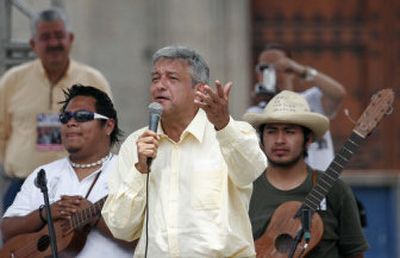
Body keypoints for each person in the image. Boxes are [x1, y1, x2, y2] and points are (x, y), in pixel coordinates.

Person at [101, 45, 267, 257]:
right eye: (155, 78)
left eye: (172, 78)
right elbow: (120, 227)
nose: (160, 86)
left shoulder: (231, 133)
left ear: (199, 90)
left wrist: (223, 125)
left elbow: (251, 171)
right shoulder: (137, 144)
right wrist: (140, 170)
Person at [0, 85, 134, 257]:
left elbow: (144, 238)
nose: (71, 122)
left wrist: (95, 218)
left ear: (108, 126)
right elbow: (7, 230)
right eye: (65, 117)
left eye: (82, 116)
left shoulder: (131, 174)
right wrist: (44, 214)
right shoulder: (44, 173)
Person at [0, 8, 112, 212]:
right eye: (45, 37)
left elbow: (107, 132)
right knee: (17, 244)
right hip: (22, 186)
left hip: (79, 188)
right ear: (33, 44)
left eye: (59, 36)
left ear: (70, 38)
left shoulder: (93, 80)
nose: (53, 43)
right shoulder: (12, 81)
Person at [243, 90, 368, 258]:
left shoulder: (335, 189)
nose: (279, 140)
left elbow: (354, 253)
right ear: (262, 140)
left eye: (289, 131)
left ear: (308, 139)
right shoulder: (245, 189)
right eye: (272, 131)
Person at [247, 43, 346, 171]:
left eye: (276, 67)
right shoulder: (257, 113)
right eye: (264, 69)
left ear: (291, 70)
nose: (270, 73)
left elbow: (338, 94)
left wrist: (303, 71)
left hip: (324, 184)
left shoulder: (312, 99)